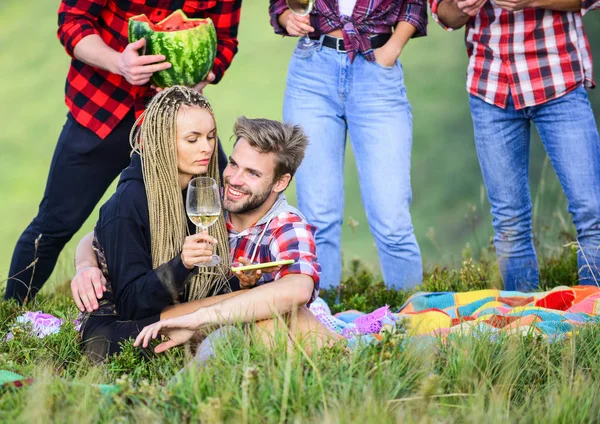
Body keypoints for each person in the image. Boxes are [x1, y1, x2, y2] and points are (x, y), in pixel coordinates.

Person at [5, 0, 242, 304]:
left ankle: (222, 303)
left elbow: (224, 41)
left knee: (227, 208)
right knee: (53, 225)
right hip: (103, 106)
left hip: (177, 122)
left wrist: (194, 79)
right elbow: (72, 21)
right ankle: (10, 317)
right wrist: (119, 62)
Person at [71, 88, 332, 360]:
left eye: (210, 137)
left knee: (271, 312)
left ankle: (344, 358)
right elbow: (109, 234)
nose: (206, 149)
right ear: (162, 141)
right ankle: (346, 356)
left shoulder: (208, 191)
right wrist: (87, 265)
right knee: (267, 313)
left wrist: (237, 286)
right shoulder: (150, 200)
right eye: (192, 139)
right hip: (124, 328)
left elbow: (299, 288)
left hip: (179, 310)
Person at [430, 0, 600, 290]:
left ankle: (593, 317)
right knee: (509, 224)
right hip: (490, 87)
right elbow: (444, 13)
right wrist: (463, 6)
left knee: (591, 211)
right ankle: (525, 325)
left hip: (557, 78)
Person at [269, 0, 427, 290]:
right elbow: (282, 4)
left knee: (392, 219)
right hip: (312, 72)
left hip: (377, 69)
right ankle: (321, 322)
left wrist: (391, 50)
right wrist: (284, 17)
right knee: (317, 216)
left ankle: (412, 321)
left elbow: (414, 5)